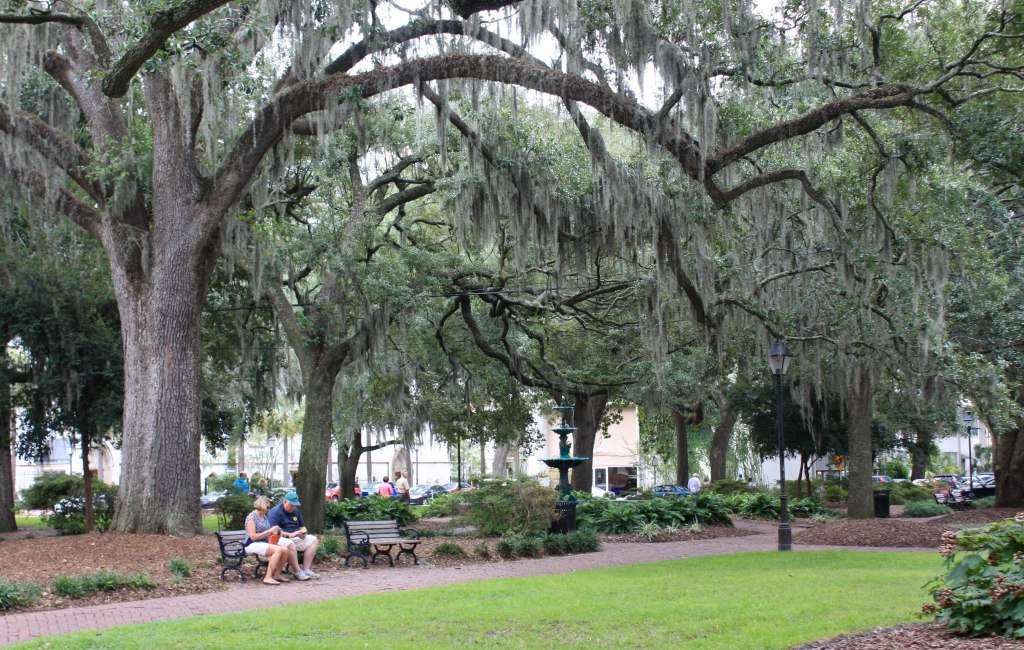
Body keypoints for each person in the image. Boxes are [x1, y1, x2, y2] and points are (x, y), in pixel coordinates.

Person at [266, 490, 320, 580]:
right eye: (291, 505)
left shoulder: (296, 512)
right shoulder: (275, 512)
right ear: (284, 502)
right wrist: (290, 534)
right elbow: (273, 531)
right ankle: (297, 571)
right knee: (289, 543)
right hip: (279, 539)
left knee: (313, 539)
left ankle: (306, 569)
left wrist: (303, 532)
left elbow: (302, 526)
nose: (293, 507)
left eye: (295, 505)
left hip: (295, 537)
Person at [244, 496, 289, 586]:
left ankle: (277, 575)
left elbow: (267, 532)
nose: (268, 510)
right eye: (267, 507)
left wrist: (275, 532)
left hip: (263, 542)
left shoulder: (263, 516)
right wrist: (269, 531)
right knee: (278, 549)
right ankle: (268, 577)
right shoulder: (251, 517)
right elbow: (253, 537)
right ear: (261, 506)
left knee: (285, 549)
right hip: (251, 544)